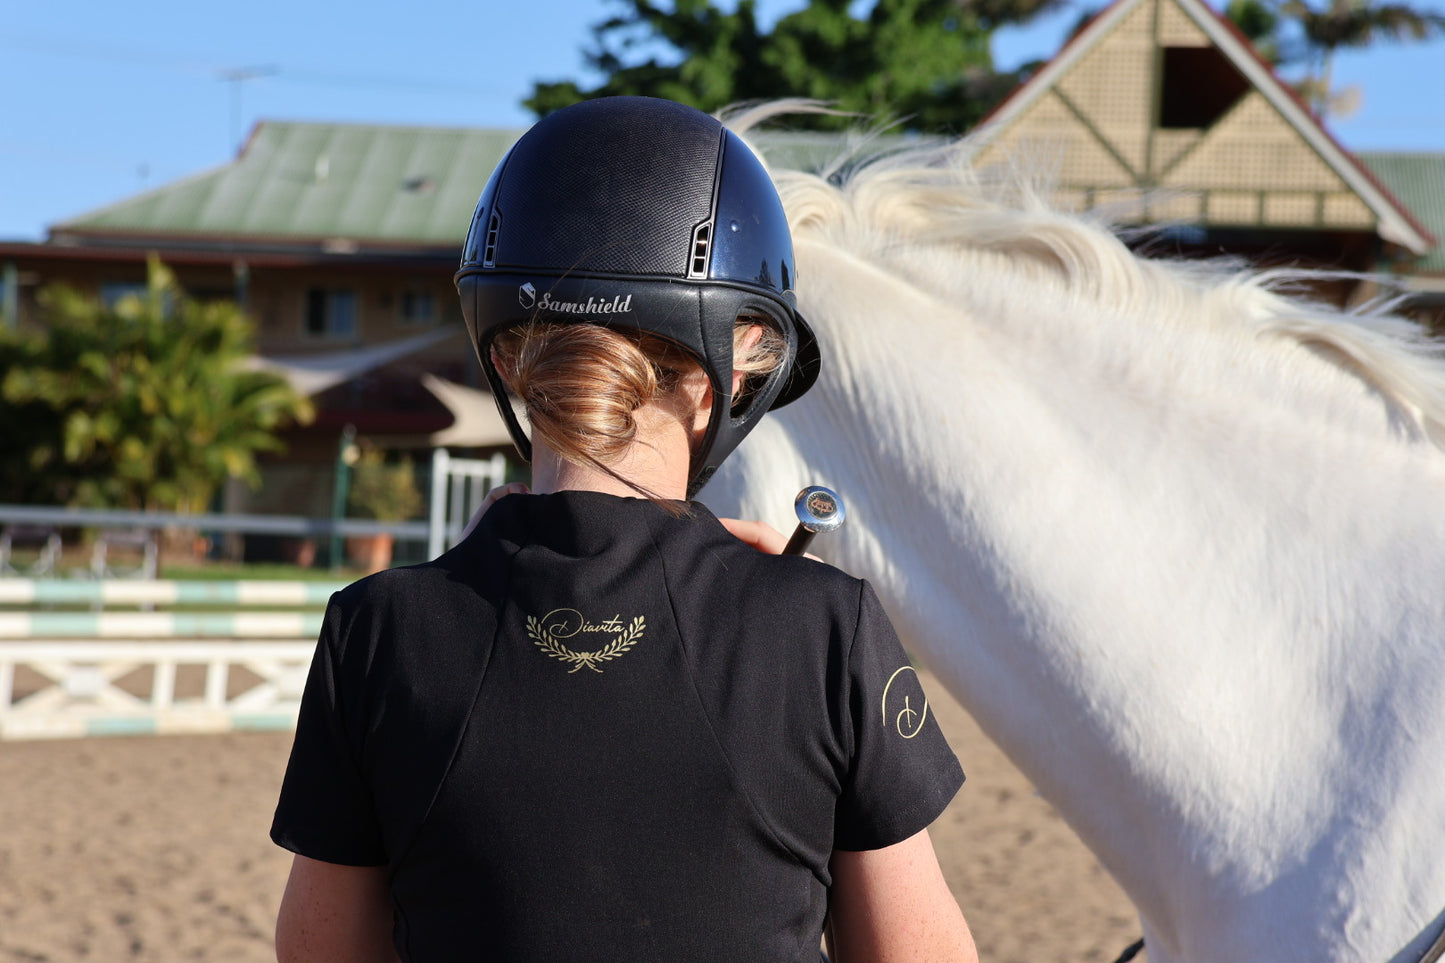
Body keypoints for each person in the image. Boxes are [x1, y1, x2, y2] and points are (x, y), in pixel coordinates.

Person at [271, 95, 977, 963]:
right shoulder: (826, 627)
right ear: (731, 365)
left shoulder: (375, 631)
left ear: (503, 356)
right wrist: (778, 606)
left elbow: (320, 952)